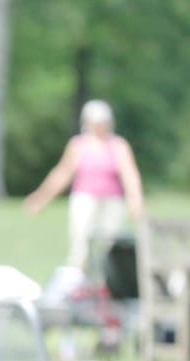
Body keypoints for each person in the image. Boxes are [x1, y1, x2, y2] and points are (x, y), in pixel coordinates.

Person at [23, 99, 146, 275]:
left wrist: (135, 199)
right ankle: (78, 281)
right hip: (85, 199)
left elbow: (130, 174)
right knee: (80, 244)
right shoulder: (78, 145)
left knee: (109, 246)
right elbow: (62, 174)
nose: (99, 127)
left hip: (112, 201)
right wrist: (40, 198)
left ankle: (107, 284)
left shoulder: (118, 145)